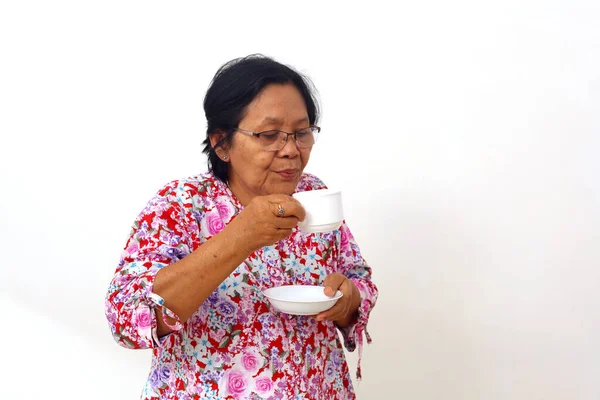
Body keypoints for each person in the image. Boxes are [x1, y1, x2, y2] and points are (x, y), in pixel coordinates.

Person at [104, 54, 378, 400]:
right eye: (269, 135)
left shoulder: (313, 194)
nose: (292, 150)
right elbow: (127, 319)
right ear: (221, 143)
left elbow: (358, 278)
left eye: (302, 132)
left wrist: (349, 300)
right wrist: (239, 236)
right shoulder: (182, 204)